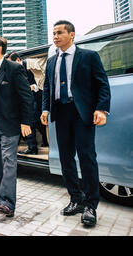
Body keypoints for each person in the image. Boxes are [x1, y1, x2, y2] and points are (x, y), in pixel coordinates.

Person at [41, 20, 111, 227]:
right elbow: (47, 88)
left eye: (59, 32)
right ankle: (76, 198)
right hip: (60, 113)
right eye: (53, 33)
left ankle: (91, 205)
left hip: (82, 113)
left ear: (72, 35)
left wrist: (101, 108)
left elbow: (102, 83)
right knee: (65, 158)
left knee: (87, 157)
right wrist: (45, 109)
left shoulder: (88, 56)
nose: (55, 36)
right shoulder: (52, 61)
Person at [0, 35, 34, 218]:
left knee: (9, 161)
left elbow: (27, 96)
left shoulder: (14, 69)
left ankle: (8, 203)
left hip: (10, 123)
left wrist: (26, 121)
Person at [8, 52, 41, 155]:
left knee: (30, 122)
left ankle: (32, 148)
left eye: (11, 63)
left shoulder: (30, 67)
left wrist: (30, 88)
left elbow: (39, 84)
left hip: (34, 100)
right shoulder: (13, 71)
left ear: (18, 60)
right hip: (22, 102)